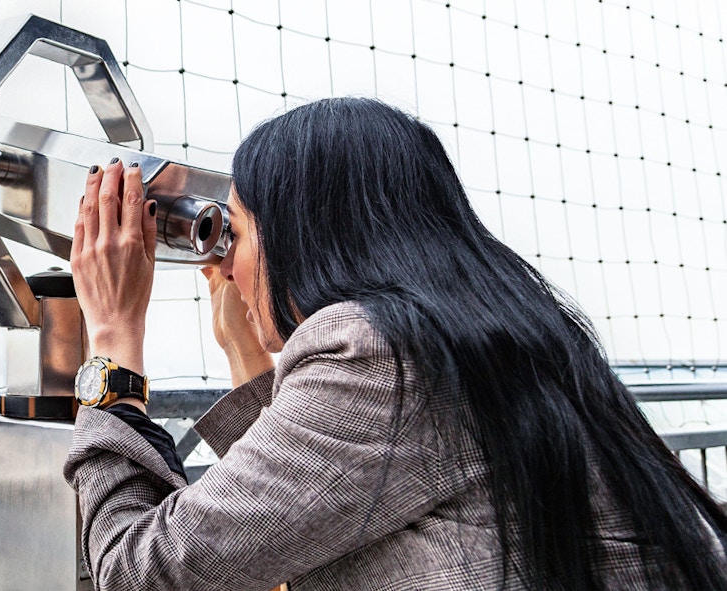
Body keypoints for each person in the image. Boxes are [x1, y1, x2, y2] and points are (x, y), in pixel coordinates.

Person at [63, 97, 727, 590]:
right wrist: (245, 352)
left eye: (236, 232)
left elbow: (138, 570)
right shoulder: (488, 336)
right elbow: (293, 513)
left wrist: (113, 340)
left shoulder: (376, 351)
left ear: (307, 232)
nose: (229, 262)